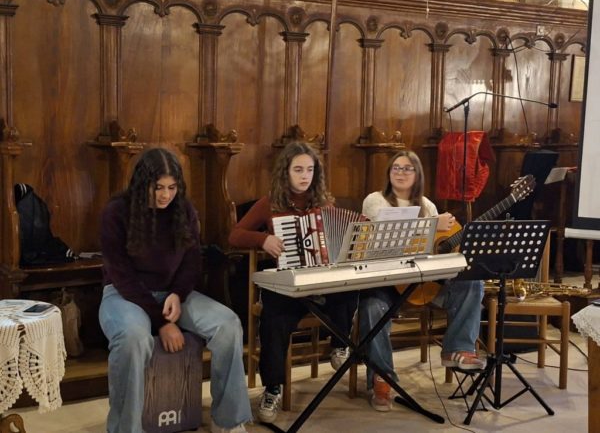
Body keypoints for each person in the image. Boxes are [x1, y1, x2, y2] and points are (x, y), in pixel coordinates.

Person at [98, 148, 252, 433]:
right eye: (158, 187)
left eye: (172, 187)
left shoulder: (184, 210)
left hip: (172, 293)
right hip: (123, 294)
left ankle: (228, 421)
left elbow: (192, 262)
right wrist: (161, 321)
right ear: (142, 184)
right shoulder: (116, 211)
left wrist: (178, 295)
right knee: (133, 339)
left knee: (228, 324)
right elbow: (121, 275)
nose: (165, 195)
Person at [229, 141, 358, 424]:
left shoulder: (324, 204)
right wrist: (263, 239)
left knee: (349, 290)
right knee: (273, 319)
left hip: (320, 283)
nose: (304, 176)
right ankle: (272, 388)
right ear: (285, 172)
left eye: (310, 170)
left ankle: (340, 343)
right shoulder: (270, 203)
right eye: (298, 169)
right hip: (288, 284)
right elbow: (235, 235)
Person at [359, 150, 485, 412]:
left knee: (473, 282)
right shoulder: (375, 200)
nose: (401, 173)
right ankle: (382, 377)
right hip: (387, 281)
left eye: (408, 168)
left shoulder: (428, 206)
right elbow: (386, 233)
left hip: (422, 283)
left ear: (417, 175)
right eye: (396, 168)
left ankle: (457, 348)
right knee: (372, 307)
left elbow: (433, 250)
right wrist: (432, 224)